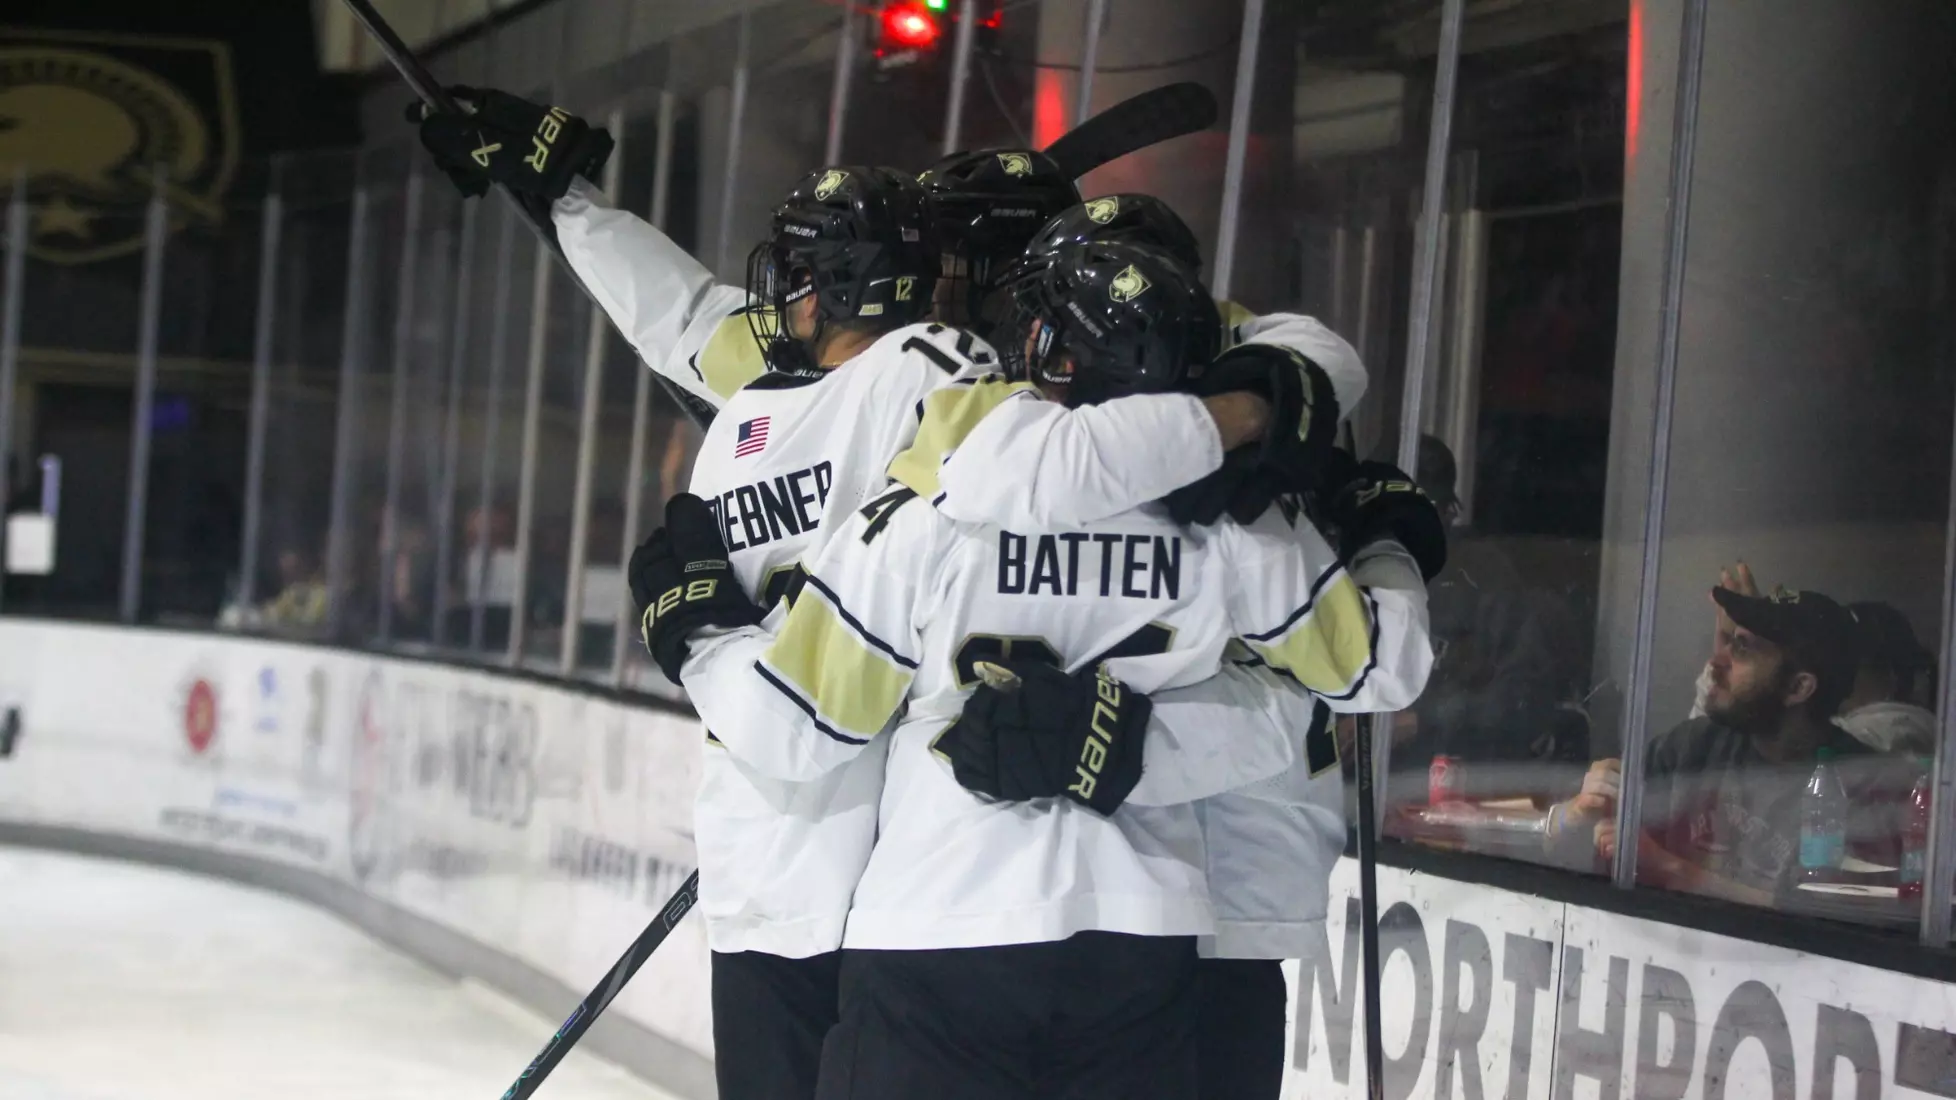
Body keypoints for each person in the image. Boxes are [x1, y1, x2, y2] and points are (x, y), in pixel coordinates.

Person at [642, 241, 1433, 1098]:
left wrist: (700, 631)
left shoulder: (927, 516)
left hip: (938, 927)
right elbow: (1385, 670)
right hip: (1142, 942)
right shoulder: (1244, 526)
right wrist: (1385, 540)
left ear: (1052, 357)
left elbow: (794, 734)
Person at [1550, 584, 1875, 906]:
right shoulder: (1695, 744)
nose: (1716, 662)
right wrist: (1580, 810)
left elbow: (1820, 919)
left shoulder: (1862, 786)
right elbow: (1569, 839)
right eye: (1730, 641)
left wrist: (1669, 867)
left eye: (1743, 649)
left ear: (1798, 687)